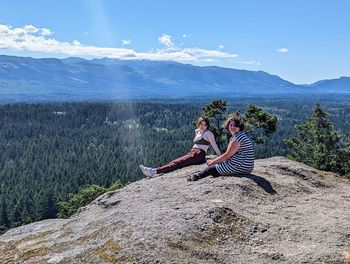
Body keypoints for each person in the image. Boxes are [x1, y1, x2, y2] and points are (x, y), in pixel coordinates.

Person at [140, 116, 221, 177]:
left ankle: (153, 171)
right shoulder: (197, 131)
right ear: (198, 124)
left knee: (177, 163)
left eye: (205, 124)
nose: (202, 126)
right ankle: (154, 171)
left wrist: (221, 157)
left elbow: (214, 145)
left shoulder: (208, 133)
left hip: (198, 154)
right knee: (176, 162)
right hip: (193, 153)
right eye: (201, 124)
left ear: (207, 126)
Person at [187, 114, 254, 181]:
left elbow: (227, 156)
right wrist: (217, 160)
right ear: (228, 126)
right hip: (245, 166)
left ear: (239, 127)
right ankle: (198, 175)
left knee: (211, 169)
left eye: (235, 125)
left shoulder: (237, 139)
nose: (232, 127)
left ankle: (197, 176)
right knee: (216, 164)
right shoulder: (239, 136)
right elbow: (229, 155)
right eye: (230, 125)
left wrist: (212, 162)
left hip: (240, 166)